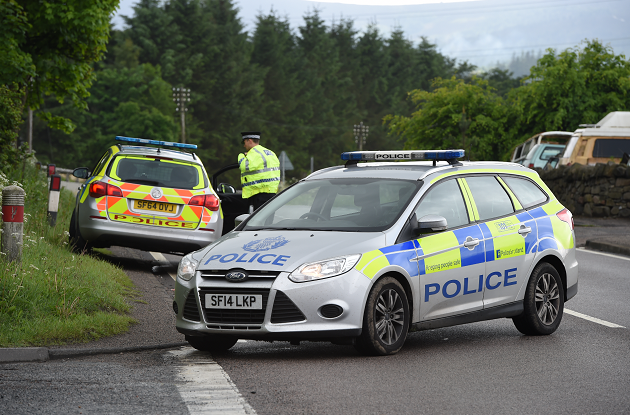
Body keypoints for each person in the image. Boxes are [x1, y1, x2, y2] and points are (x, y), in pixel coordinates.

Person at [238, 131, 280, 210]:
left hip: (259, 194)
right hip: (272, 193)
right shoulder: (270, 153)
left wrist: (241, 156)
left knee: (257, 221)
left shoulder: (253, 153)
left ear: (249, 141)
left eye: (244, 142)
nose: (244, 145)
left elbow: (245, 167)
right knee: (268, 221)